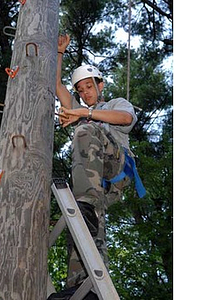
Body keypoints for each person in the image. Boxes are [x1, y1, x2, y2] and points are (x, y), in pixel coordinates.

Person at [48, 34, 145, 300]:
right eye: (80, 90)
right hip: (93, 184)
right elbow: (57, 85)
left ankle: (86, 204)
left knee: (85, 131)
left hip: (117, 168)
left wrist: (84, 113)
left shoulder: (112, 105)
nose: (84, 93)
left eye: (89, 87)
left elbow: (126, 118)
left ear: (100, 85)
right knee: (84, 233)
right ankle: (83, 288)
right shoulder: (82, 113)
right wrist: (59, 54)